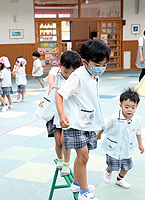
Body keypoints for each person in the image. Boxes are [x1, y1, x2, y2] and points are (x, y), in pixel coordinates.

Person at [56, 39, 110, 200]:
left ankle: (77, 184)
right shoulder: (77, 76)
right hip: (75, 123)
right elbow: (59, 94)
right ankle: (84, 192)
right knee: (84, 156)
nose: (100, 68)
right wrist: (61, 115)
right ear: (84, 61)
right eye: (97, 64)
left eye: (104, 65)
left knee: (83, 156)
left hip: (87, 122)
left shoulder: (92, 74)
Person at [41, 51, 81, 177]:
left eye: (71, 73)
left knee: (66, 141)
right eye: (65, 72)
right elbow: (50, 76)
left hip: (67, 113)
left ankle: (66, 164)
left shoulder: (76, 77)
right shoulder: (55, 70)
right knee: (58, 141)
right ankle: (60, 159)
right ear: (60, 65)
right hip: (53, 113)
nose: (68, 75)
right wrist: (52, 84)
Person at [96, 88, 144, 189]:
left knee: (127, 167)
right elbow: (103, 126)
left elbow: (138, 132)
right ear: (120, 106)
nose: (129, 110)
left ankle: (120, 179)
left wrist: (140, 144)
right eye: (126, 107)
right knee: (113, 164)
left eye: (133, 107)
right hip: (113, 147)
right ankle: (108, 171)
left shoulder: (137, 119)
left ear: (136, 107)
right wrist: (99, 134)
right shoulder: (114, 118)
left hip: (127, 148)